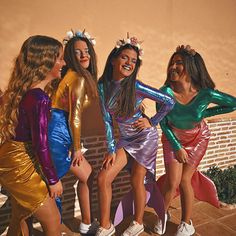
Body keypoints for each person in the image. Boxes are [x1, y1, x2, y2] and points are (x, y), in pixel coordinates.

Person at [96, 35, 175, 236]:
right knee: (104, 177)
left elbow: (169, 101)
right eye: (124, 58)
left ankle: (138, 222)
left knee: (137, 179)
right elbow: (106, 119)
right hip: (124, 139)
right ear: (113, 59)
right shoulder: (102, 86)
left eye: (133, 61)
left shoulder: (136, 86)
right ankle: (105, 226)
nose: (129, 63)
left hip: (145, 137)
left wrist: (152, 121)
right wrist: (111, 148)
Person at [155, 45, 236, 236]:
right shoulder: (164, 92)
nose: (173, 67)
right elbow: (163, 123)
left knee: (185, 180)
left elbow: (233, 103)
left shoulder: (205, 94)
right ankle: (162, 215)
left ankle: (186, 223)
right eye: (172, 63)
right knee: (172, 181)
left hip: (198, 138)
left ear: (191, 67)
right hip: (172, 137)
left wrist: (205, 113)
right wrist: (176, 147)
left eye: (179, 63)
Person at [0, 35, 64, 236]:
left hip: (10, 159)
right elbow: (41, 145)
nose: (64, 63)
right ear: (45, 62)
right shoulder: (39, 98)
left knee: (20, 214)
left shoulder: (19, 91)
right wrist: (53, 179)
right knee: (53, 218)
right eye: (60, 58)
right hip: (21, 164)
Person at [48, 29, 99, 234]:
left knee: (87, 175)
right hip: (58, 133)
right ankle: (53, 228)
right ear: (69, 55)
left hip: (60, 131)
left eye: (86, 50)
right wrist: (77, 148)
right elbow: (74, 116)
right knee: (54, 185)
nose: (84, 55)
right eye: (77, 52)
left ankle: (86, 223)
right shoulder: (76, 78)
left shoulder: (75, 76)